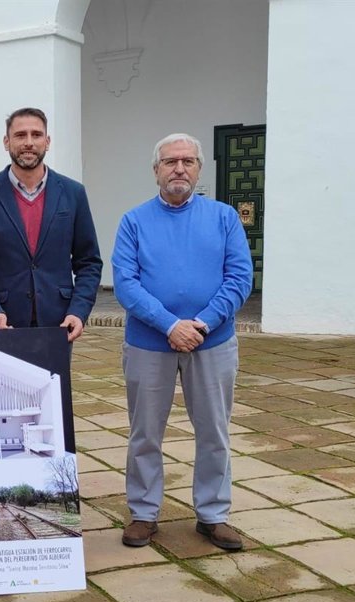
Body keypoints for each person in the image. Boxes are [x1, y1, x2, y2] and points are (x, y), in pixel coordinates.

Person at [112, 132, 253, 551]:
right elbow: (126, 284)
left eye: (187, 161)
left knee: (214, 432)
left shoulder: (224, 218)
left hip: (212, 343)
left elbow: (239, 278)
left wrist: (202, 324)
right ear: (155, 170)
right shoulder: (134, 221)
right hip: (148, 343)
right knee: (144, 433)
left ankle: (213, 514)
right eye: (170, 162)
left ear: (199, 169)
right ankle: (143, 512)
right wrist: (170, 325)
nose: (179, 169)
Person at [0, 107, 102, 340]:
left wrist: (78, 311)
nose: (28, 142)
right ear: (6, 142)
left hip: (59, 323)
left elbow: (89, 262)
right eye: (20, 135)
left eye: (36, 135)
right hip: (4, 325)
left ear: (47, 141)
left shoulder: (73, 193)